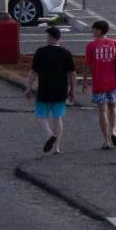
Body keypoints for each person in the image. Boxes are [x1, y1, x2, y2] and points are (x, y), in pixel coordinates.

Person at [26, 26, 77, 154]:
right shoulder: (66, 53)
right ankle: (57, 148)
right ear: (59, 38)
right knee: (57, 117)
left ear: (50, 37)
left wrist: (28, 88)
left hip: (45, 89)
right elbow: (72, 74)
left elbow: (33, 72)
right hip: (61, 90)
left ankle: (49, 135)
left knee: (40, 115)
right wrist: (72, 90)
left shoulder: (41, 52)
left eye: (47, 36)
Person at [82, 20, 116, 149]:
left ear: (99, 30)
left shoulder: (91, 46)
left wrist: (85, 82)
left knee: (102, 110)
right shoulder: (115, 44)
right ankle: (114, 131)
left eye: (93, 29)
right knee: (113, 107)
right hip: (113, 81)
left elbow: (87, 65)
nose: (92, 31)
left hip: (99, 82)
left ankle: (106, 140)